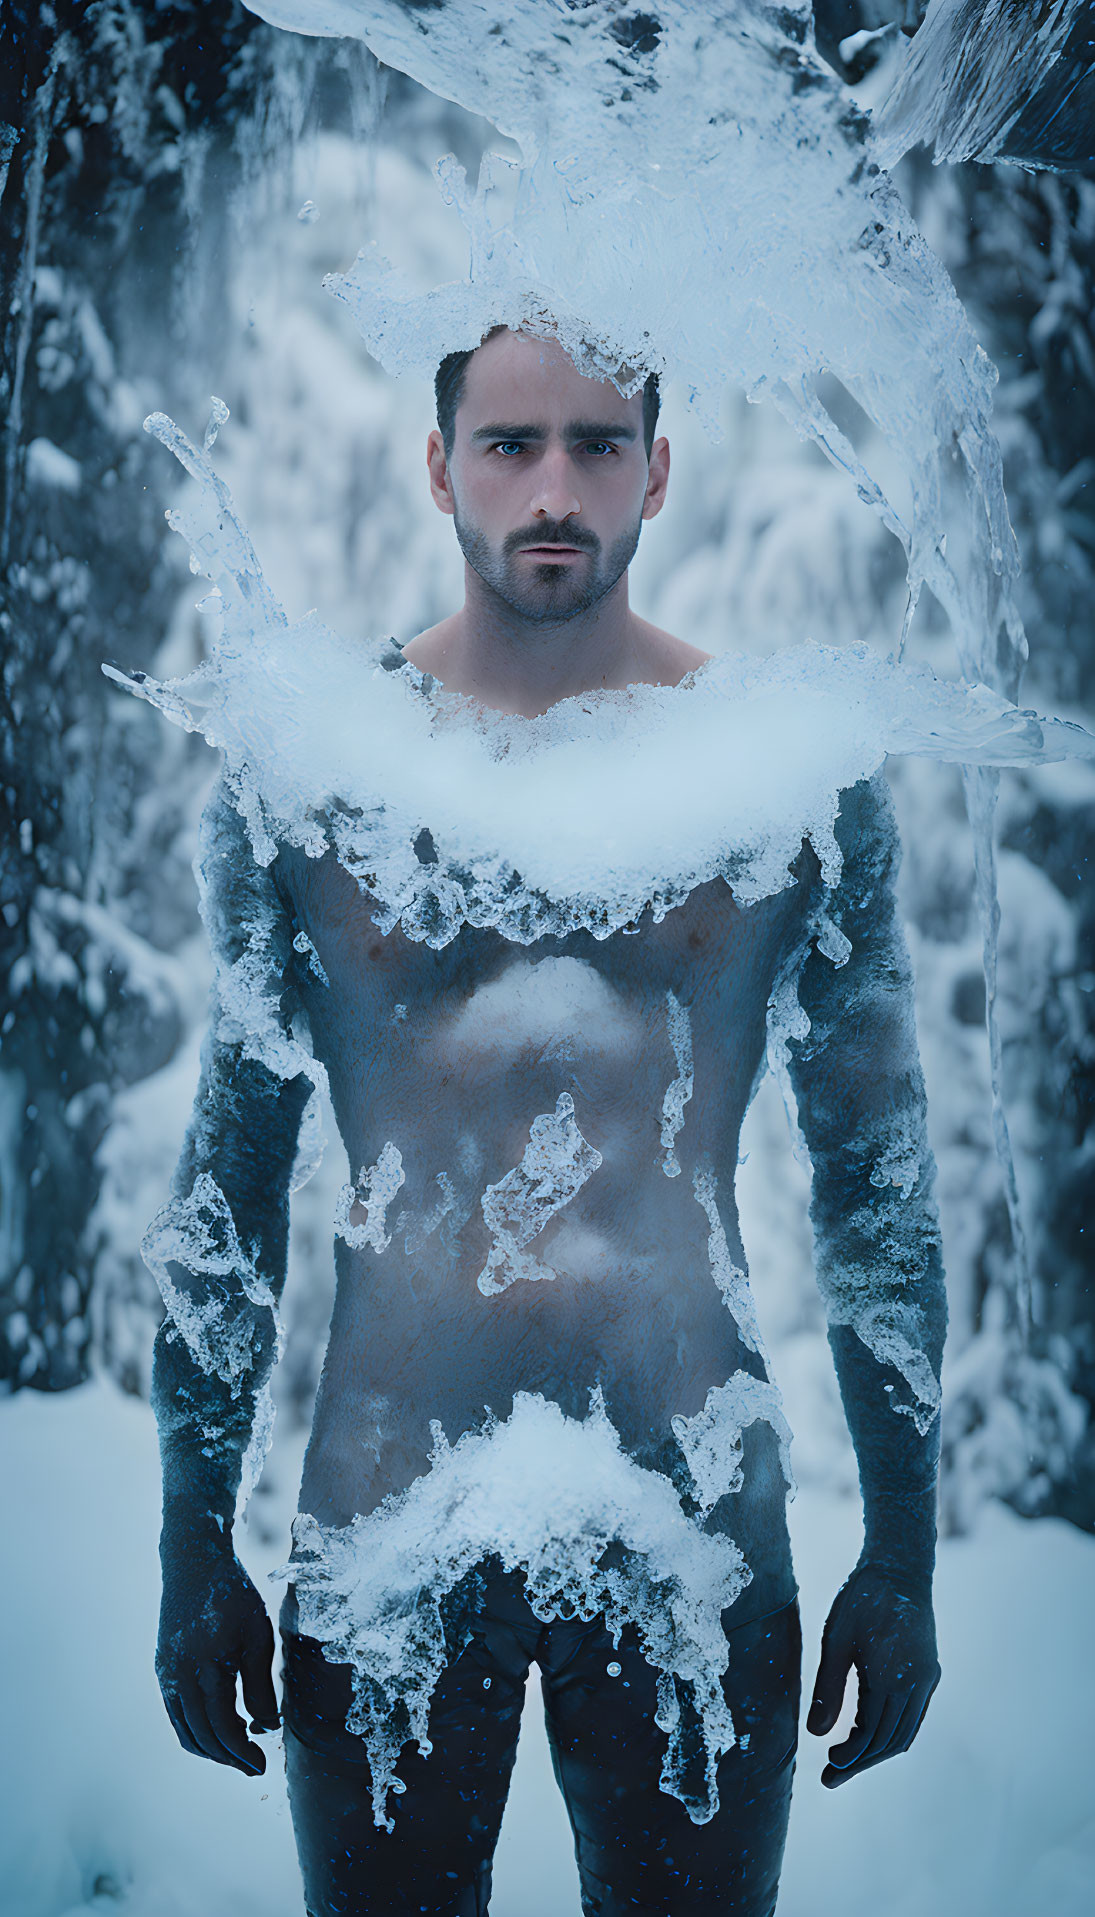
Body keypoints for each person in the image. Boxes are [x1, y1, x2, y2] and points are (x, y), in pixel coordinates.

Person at [152, 325, 946, 1916]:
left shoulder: (782, 778)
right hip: (382, 1522)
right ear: (440, 465)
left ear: (659, 467)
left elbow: (878, 1185)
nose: (556, 486)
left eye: (597, 442)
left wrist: (906, 1544)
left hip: (695, 1518)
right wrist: (189, 1531)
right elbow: (230, 1179)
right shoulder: (312, 774)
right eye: (512, 444)